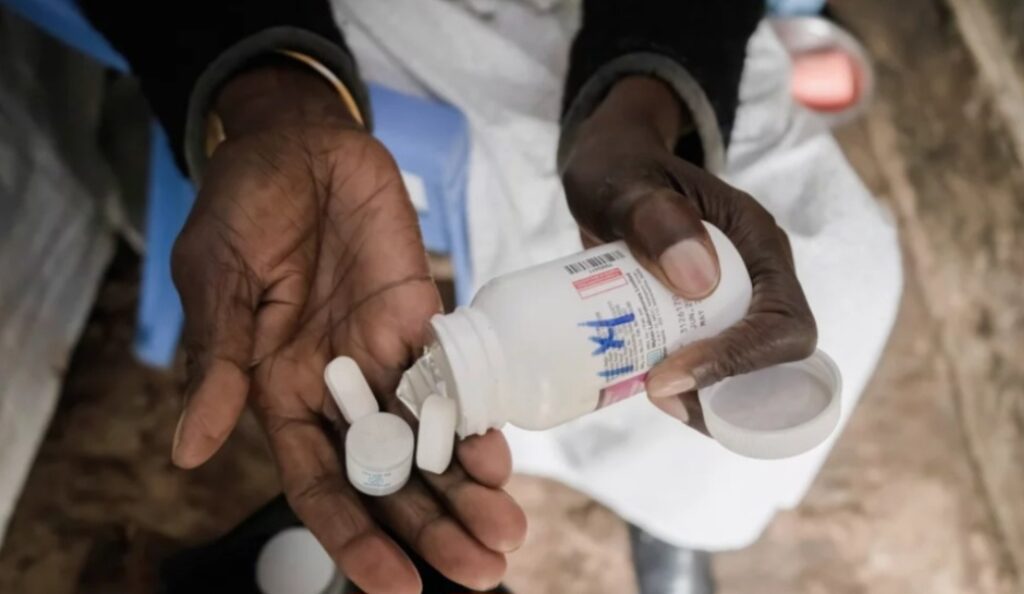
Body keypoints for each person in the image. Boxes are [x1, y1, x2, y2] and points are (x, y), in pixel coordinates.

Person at [79, 1, 817, 592]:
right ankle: (665, 499)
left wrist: (641, 101)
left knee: (829, 266)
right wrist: (272, 92)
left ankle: (673, 518)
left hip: (620, 60)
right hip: (357, 28)